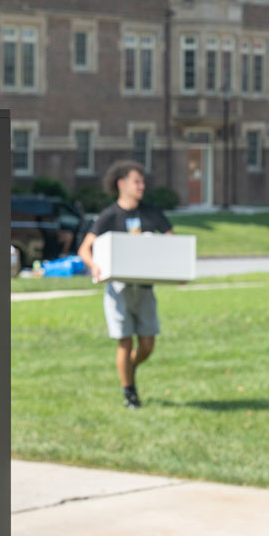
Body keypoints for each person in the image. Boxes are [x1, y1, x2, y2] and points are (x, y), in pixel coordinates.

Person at [78, 160, 173, 410]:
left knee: (148, 344)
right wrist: (95, 266)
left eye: (143, 182)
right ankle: (129, 392)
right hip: (118, 289)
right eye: (137, 182)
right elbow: (84, 249)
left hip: (144, 289)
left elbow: (171, 245)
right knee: (124, 341)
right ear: (122, 184)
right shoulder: (109, 216)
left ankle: (128, 368)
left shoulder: (152, 213)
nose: (142, 186)